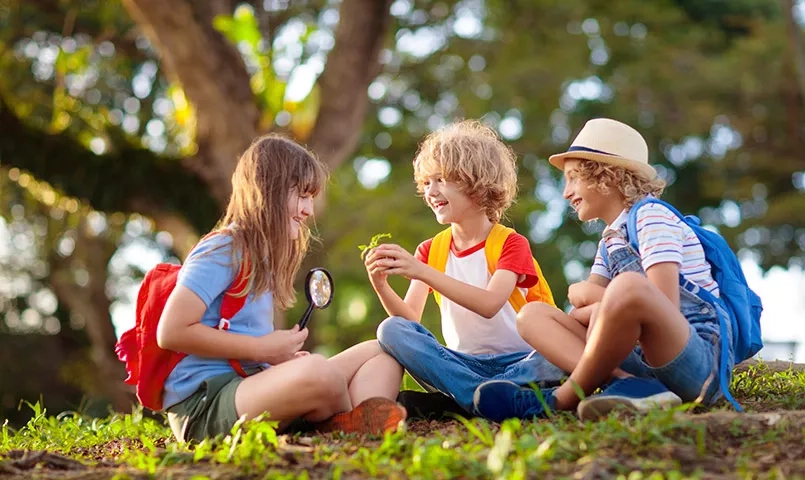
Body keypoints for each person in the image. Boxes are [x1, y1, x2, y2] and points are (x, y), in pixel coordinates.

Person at [473, 118, 737, 422]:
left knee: (629, 289)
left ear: (606, 176)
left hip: (694, 360)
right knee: (533, 314)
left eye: (573, 178)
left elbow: (664, 305)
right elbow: (580, 315)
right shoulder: (610, 240)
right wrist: (605, 307)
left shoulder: (652, 216)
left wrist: (600, 299)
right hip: (642, 360)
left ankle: (561, 399)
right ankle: (627, 383)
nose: (566, 192)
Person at [158, 134, 405, 442]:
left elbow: (245, 346)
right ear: (269, 191)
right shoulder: (225, 247)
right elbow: (171, 332)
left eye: (310, 198)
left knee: (386, 349)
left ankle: (355, 420)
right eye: (301, 196)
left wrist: (276, 361)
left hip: (249, 387)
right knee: (317, 371)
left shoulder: (262, 258)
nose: (308, 210)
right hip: (206, 406)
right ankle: (345, 423)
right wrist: (262, 350)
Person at [364, 120, 565, 417]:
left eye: (442, 179)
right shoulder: (431, 250)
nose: (430, 191)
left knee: (557, 357)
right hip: (465, 364)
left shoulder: (510, 242)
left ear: (478, 183)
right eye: (426, 182)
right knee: (391, 330)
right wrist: (381, 284)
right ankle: (482, 395)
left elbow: (490, 304)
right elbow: (410, 320)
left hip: (523, 358)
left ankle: (466, 398)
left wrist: (423, 271)